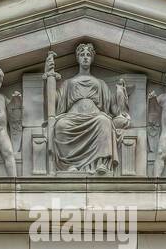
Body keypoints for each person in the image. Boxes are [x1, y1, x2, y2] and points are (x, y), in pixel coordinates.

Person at [49, 42, 118, 174]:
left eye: (88, 55)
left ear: (92, 58)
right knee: (61, 126)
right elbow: (54, 101)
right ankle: (71, 164)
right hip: (72, 116)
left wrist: (122, 98)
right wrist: (49, 78)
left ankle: (100, 163)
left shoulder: (100, 83)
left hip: (94, 116)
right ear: (77, 58)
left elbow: (112, 108)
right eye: (82, 55)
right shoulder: (68, 83)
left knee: (104, 121)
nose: (85, 57)